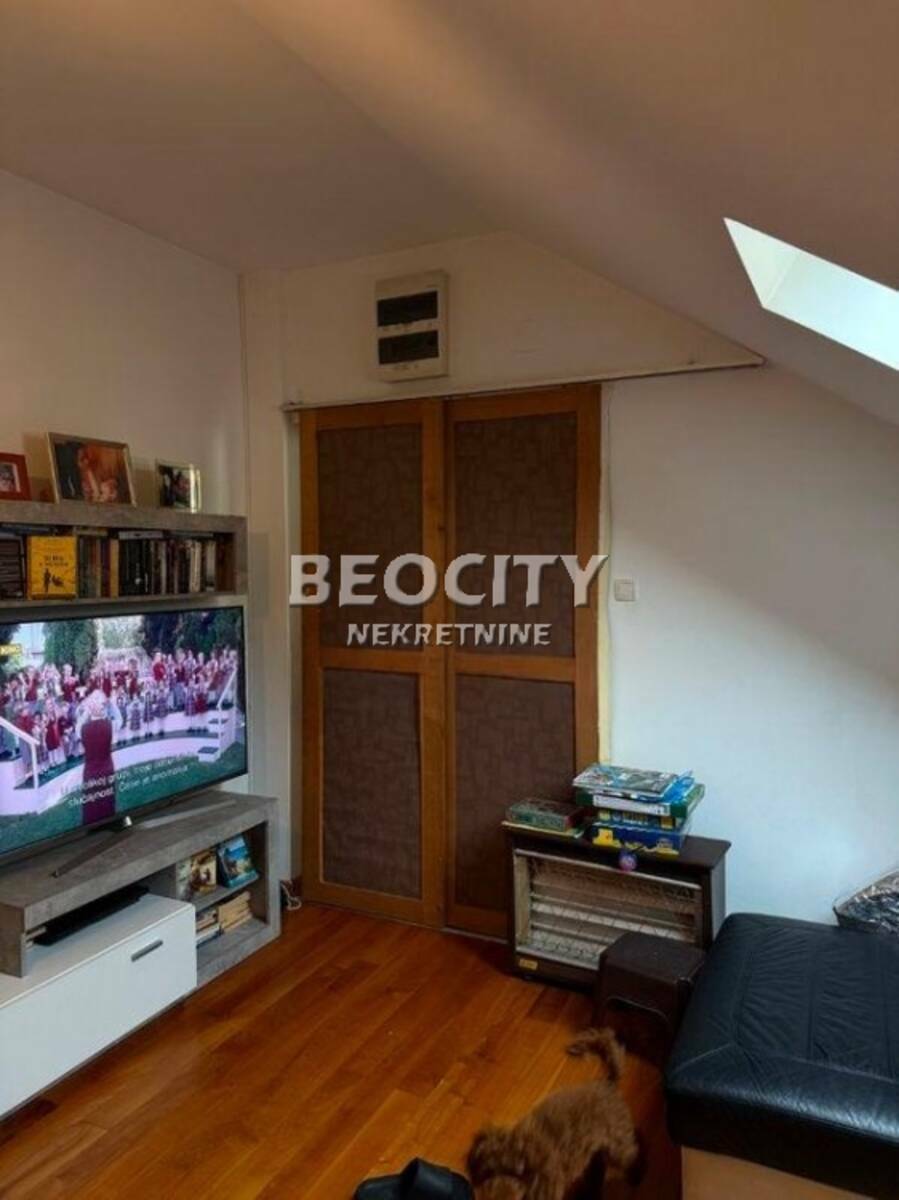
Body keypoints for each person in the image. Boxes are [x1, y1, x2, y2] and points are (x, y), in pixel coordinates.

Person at [79, 689, 116, 825]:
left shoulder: (83, 729)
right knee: (107, 803)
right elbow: (119, 718)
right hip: (107, 770)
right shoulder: (109, 725)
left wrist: (87, 711)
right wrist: (109, 704)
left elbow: (79, 726)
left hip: (90, 773)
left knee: (92, 807)